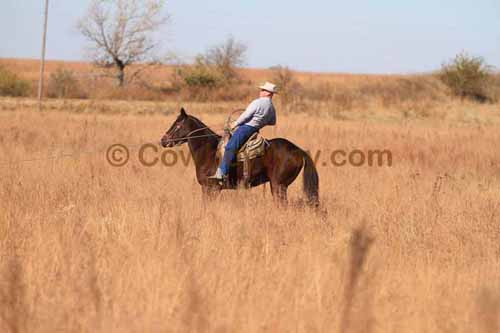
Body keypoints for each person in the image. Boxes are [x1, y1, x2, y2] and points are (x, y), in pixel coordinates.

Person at [209, 82, 278, 180]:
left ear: (268, 93)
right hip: (255, 130)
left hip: (246, 128)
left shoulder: (258, 102)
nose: (261, 91)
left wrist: (235, 123)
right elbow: (273, 122)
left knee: (230, 146)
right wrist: (261, 121)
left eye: (263, 90)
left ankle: (222, 173)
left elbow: (246, 115)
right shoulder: (272, 107)